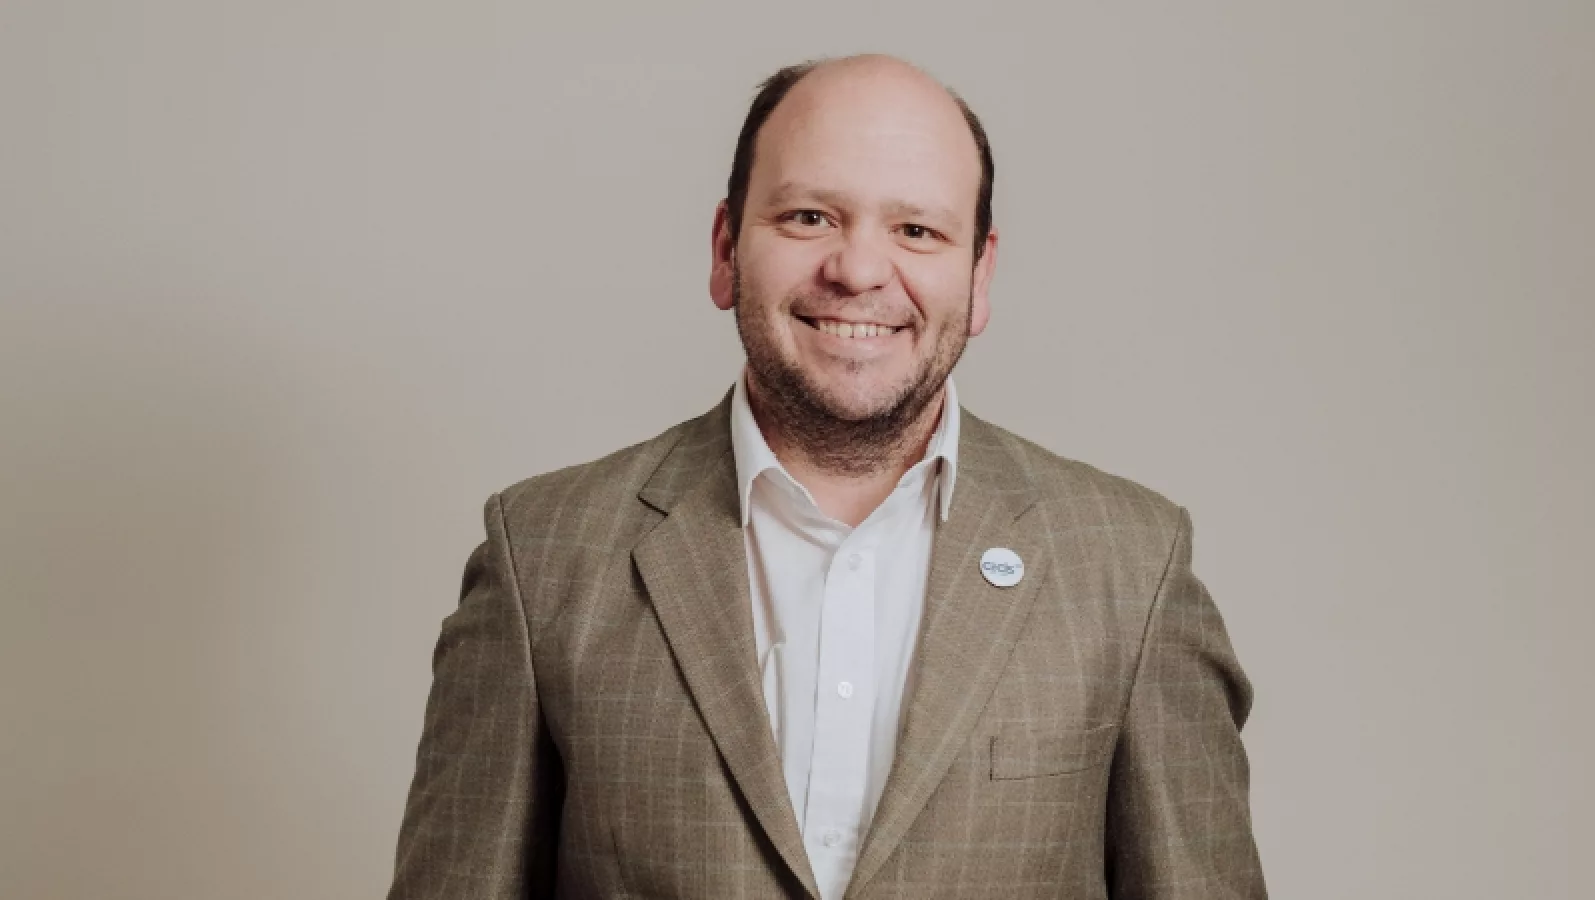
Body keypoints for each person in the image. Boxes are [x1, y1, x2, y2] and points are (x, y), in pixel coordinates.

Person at [388, 54, 1266, 900]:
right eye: (809, 217)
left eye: (917, 230)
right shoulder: (542, 557)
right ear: (726, 248)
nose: (857, 270)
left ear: (979, 273)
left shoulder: (1131, 568)